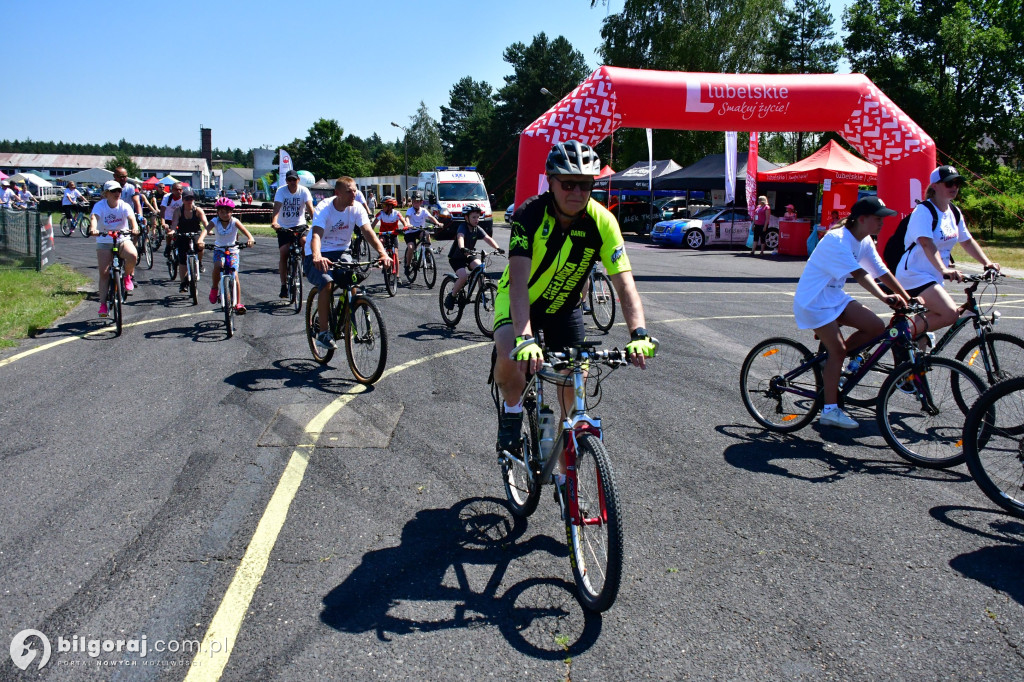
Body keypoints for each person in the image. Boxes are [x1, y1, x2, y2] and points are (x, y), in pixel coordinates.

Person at [492, 141, 657, 504]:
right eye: (568, 183)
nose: (577, 192)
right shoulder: (528, 216)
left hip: (565, 307)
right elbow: (518, 282)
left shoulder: (603, 222)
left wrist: (638, 332)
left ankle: (568, 465)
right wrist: (524, 336)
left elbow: (624, 282)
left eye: (585, 184)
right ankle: (512, 411)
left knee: (574, 376)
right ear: (551, 182)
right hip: (521, 300)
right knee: (510, 355)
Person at [793, 196, 916, 429]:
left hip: (834, 298)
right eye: (878, 219)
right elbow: (860, 275)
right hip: (814, 301)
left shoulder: (865, 240)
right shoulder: (836, 239)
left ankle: (829, 363)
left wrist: (908, 299)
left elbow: (881, 271)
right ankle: (829, 410)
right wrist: (884, 297)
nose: (883, 223)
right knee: (837, 351)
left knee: (876, 327)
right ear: (861, 219)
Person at [894, 165, 1000, 341]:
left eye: (957, 183)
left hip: (934, 277)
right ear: (934, 186)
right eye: (949, 183)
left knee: (923, 332)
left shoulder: (954, 212)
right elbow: (927, 243)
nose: (954, 187)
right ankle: (898, 336)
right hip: (915, 275)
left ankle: (913, 367)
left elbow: (966, 241)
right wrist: (944, 269)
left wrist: (987, 263)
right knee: (950, 313)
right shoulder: (924, 211)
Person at [307, 177, 391, 352]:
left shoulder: (357, 207)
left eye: (355, 190)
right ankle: (323, 332)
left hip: (341, 252)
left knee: (353, 280)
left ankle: (341, 316)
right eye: (349, 191)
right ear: (337, 193)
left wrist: (383, 253)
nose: (354, 194)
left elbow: (368, 232)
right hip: (317, 252)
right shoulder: (324, 208)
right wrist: (317, 256)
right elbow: (316, 236)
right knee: (327, 281)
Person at [88, 180, 140, 317]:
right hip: (105, 240)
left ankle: (127, 276)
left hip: (122, 238)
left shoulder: (124, 205)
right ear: (106, 193)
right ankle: (103, 305)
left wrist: (134, 227)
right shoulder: (100, 206)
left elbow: (131, 218)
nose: (117, 193)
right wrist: (93, 228)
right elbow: (94, 217)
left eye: (119, 191)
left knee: (133, 255)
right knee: (104, 273)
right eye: (113, 191)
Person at [444, 204, 503, 309]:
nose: (477, 220)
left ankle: (481, 293)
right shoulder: (463, 227)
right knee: (463, 277)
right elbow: (460, 237)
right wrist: (462, 247)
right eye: (474, 217)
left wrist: (498, 248)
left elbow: (487, 238)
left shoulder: (477, 229)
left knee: (480, 267)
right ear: (466, 218)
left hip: (468, 255)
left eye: (478, 217)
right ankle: (451, 296)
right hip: (456, 258)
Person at [272, 169, 314, 299]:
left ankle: (305, 267)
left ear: (298, 180)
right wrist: (274, 222)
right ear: (286, 181)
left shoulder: (304, 191)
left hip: (300, 225)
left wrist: (316, 222)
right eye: (289, 180)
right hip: (284, 226)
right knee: (284, 252)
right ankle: (284, 285)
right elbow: (277, 207)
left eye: (294, 180)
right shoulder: (281, 191)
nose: (291, 182)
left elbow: (310, 208)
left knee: (305, 243)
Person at [208, 197, 255, 313]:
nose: (225, 214)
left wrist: (250, 239)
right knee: (218, 266)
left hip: (233, 250)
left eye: (228, 211)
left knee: (235, 275)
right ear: (217, 212)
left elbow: (246, 232)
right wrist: (200, 240)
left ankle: (238, 303)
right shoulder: (215, 221)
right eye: (222, 212)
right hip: (219, 249)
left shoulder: (235, 221)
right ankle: (214, 288)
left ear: (232, 212)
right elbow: (205, 230)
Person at [169, 188, 209, 292]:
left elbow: (205, 222)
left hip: (196, 233)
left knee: (200, 245)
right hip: (182, 235)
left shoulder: (198, 210)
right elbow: (174, 224)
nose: (189, 201)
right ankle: (183, 283)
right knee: (182, 259)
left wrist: (208, 230)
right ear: (183, 200)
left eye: (191, 198)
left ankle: (199, 262)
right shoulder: (178, 211)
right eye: (186, 198)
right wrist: (172, 231)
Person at [404, 190, 443, 271]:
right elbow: (407, 217)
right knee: (411, 248)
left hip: (419, 230)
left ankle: (428, 252)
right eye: (414, 202)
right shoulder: (410, 210)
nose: (416, 203)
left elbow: (431, 217)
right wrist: (408, 224)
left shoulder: (423, 210)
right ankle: (407, 265)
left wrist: (438, 223)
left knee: (426, 234)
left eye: (418, 202)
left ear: (421, 202)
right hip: (410, 231)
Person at [370, 196, 408, 263]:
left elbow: (404, 221)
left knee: (395, 253)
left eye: (384, 205)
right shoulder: (381, 213)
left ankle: (397, 272)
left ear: (390, 206)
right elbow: (373, 224)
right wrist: (371, 230)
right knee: (381, 241)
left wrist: (405, 226)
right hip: (383, 233)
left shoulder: (396, 213)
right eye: (382, 205)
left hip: (393, 234)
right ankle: (381, 255)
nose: (382, 207)